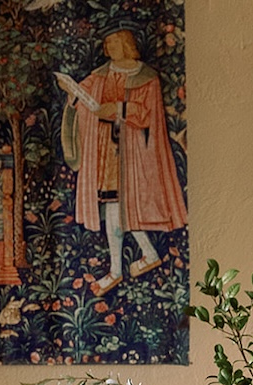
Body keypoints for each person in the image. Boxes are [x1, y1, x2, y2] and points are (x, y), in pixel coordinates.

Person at [60, 28, 187, 295]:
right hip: (106, 153)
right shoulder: (101, 74)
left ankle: (121, 269)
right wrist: (72, 93)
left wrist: (118, 109)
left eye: (114, 43)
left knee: (122, 209)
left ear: (126, 44)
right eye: (107, 44)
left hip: (134, 155)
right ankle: (140, 259)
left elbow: (147, 114)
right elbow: (83, 98)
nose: (110, 48)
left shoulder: (146, 77)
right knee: (114, 209)